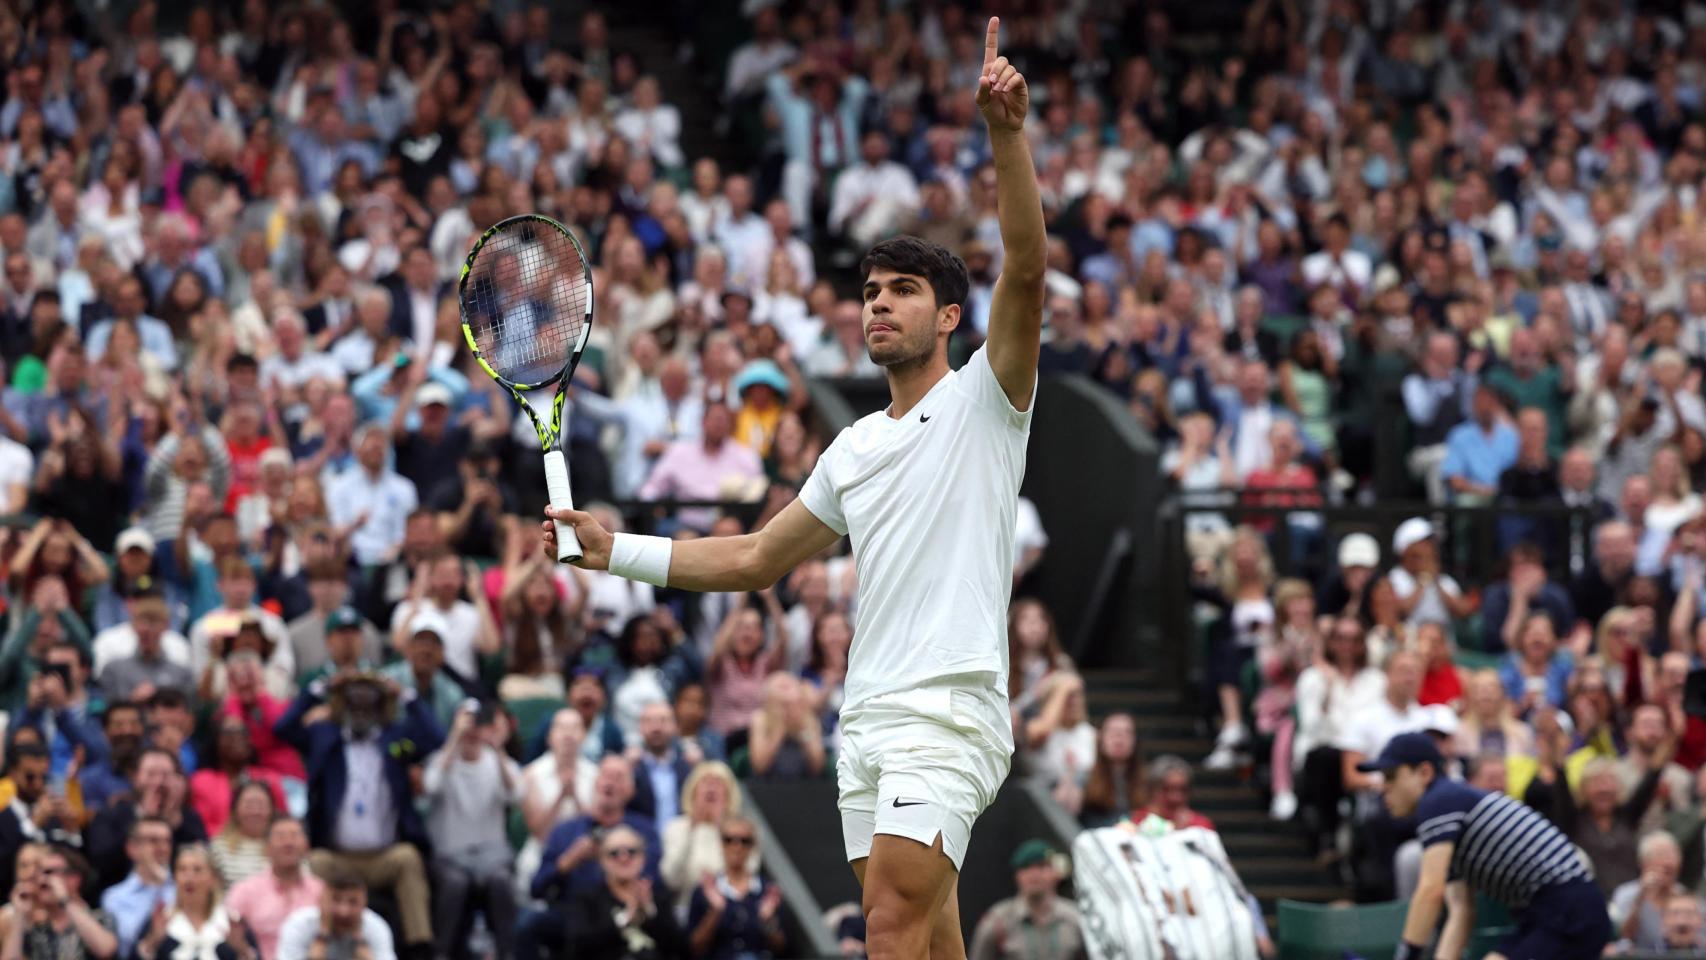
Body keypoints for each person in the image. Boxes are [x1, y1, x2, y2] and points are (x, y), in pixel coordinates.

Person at [545, 24, 1044, 955]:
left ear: (947, 317)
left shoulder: (989, 400)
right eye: (868, 293)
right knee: (931, 935)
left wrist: (1006, 137)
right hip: (866, 718)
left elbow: (1027, 270)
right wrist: (616, 551)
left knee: (888, 922)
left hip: (947, 709)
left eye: (901, 291)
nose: (878, 305)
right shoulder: (851, 448)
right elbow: (754, 558)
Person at [1364, 732, 1611, 960]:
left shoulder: (1438, 800)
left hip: (1569, 910)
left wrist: (1406, 955)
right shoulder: (1448, 809)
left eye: (1391, 776)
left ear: (1424, 773)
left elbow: (1430, 891)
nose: (1383, 786)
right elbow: (1461, 911)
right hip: (1550, 912)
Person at [274, 674, 441, 958]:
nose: (362, 710)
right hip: (338, 856)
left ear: (381, 706)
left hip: (383, 856)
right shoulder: (325, 737)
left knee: (408, 858)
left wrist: (406, 695)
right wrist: (321, 687)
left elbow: (435, 737)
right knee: (313, 862)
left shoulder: (395, 739)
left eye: (370, 702)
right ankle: (309, 943)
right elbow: (283, 729)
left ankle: (420, 948)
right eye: (354, 702)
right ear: (342, 705)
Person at [421, 702, 521, 960]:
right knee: (456, 884)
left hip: (491, 857)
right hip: (450, 856)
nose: (473, 729)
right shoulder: (442, 759)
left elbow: (517, 794)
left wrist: (497, 747)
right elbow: (430, 785)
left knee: (500, 881)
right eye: (467, 722)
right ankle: (441, 953)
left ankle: (508, 952)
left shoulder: (497, 762)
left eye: (479, 723)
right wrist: (454, 737)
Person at [565, 825, 687, 960]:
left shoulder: (658, 896)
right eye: (614, 853)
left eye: (632, 851)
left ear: (643, 858)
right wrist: (626, 918)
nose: (624, 858)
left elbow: (682, 949)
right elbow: (578, 948)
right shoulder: (587, 898)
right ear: (602, 860)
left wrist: (649, 912)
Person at [685, 816, 786, 959]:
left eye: (745, 841)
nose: (737, 847)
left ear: (753, 846)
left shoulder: (766, 891)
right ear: (720, 844)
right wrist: (715, 912)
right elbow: (694, 948)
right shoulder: (705, 890)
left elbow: (781, 948)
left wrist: (767, 921)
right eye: (729, 840)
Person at [132, 845, 255, 960]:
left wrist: (242, 951)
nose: (189, 877)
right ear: (175, 877)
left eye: (197, 870)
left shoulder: (233, 923)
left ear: (213, 879)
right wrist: (152, 943)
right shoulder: (160, 922)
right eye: (182, 869)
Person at [966, 839, 1083, 960]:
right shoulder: (998, 921)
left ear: (1057, 873)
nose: (1034, 874)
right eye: (1026, 867)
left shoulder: (1076, 919)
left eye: (1042, 866)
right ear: (1017, 875)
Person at [224, 819, 322, 960]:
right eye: (280, 836)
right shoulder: (245, 891)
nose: (288, 843)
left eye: (294, 836)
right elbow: (230, 936)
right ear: (267, 848)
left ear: (306, 846)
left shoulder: (322, 891)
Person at [0, 845, 119, 960]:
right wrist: (20, 914)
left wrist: (65, 900)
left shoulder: (100, 918)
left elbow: (105, 950)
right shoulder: (36, 929)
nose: (42, 879)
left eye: (49, 872)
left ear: (74, 879)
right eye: (38, 873)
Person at [273, 866, 393, 960]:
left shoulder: (376, 927)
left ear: (364, 903)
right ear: (321, 900)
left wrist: (362, 947)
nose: (343, 911)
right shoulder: (298, 925)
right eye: (336, 900)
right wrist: (321, 939)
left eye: (353, 902)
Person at [98, 816, 174, 957]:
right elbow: (124, 947)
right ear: (132, 848)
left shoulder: (184, 890)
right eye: (153, 840)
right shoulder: (115, 897)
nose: (163, 848)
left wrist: (166, 883)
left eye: (167, 841)